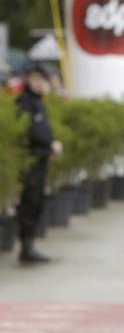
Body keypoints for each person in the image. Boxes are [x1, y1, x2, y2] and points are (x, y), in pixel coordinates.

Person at [15, 63, 61, 264]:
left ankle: (30, 246)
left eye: (42, 80)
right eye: (36, 79)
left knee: (37, 203)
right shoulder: (24, 102)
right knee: (29, 203)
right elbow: (31, 131)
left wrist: (51, 145)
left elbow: (43, 129)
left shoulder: (38, 102)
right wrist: (49, 143)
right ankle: (26, 247)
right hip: (31, 161)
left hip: (41, 158)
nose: (40, 83)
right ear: (28, 79)